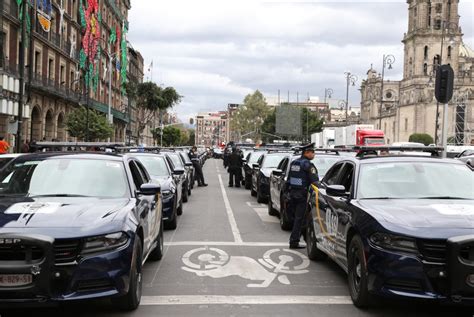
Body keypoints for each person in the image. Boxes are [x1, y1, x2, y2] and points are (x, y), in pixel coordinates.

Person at [286, 143, 319, 249]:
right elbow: (315, 181)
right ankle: (294, 242)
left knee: (299, 218)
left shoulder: (295, 162)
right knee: (299, 219)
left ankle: (304, 238)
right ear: (307, 152)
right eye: (312, 152)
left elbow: (289, 179)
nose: (314, 154)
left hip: (293, 194)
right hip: (302, 196)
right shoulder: (307, 165)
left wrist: (287, 193)